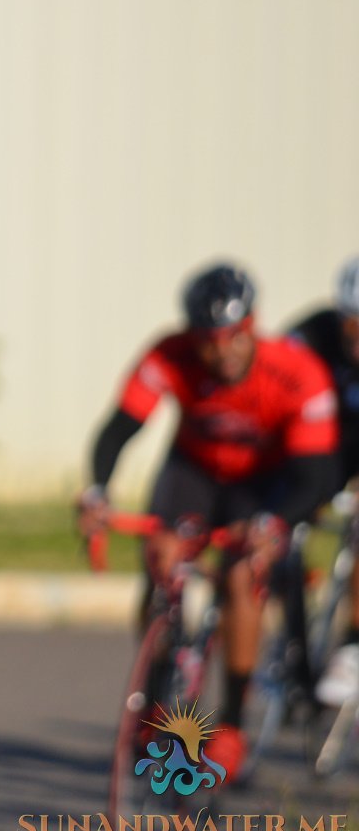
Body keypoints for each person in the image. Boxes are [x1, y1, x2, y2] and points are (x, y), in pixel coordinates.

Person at [77, 262, 338, 776]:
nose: (220, 352)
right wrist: (97, 492)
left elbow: (318, 474)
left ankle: (234, 725)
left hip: (262, 482)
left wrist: (271, 523)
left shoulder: (296, 372)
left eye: (232, 338)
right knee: (161, 558)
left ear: (253, 326)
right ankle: (154, 697)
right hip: (192, 471)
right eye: (207, 341)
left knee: (243, 578)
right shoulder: (168, 353)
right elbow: (117, 430)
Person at [286, 256, 359, 706]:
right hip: (320, 446)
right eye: (352, 326)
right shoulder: (308, 337)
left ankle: (351, 643)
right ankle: (294, 647)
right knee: (284, 526)